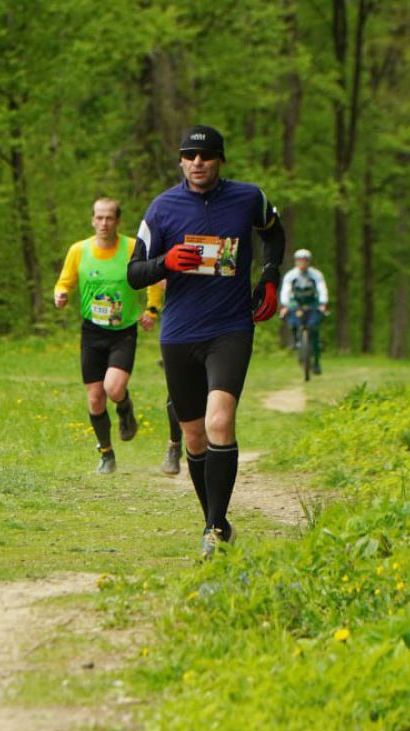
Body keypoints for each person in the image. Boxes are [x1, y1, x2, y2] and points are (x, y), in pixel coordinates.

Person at [126, 124, 285, 559]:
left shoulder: (248, 197)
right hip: (179, 334)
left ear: (220, 161)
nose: (198, 163)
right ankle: (215, 521)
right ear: (180, 161)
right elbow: (134, 272)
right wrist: (166, 261)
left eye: (207, 156)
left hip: (230, 328)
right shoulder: (161, 210)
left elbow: (274, 232)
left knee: (219, 423)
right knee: (194, 435)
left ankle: (214, 528)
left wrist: (270, 276)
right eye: (190, 157)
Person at [55, 198, 164, 474]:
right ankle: (106, 453)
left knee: (113, 389)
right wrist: (61, 293)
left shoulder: (131, 248)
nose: (104, 223)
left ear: (117, 221)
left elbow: (153, 278)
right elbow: (65, 280)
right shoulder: (79, 250)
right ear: (92, 220)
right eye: (99, 218)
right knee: (94, 398)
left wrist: (152, 310)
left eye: (109, 218)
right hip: (92, 331)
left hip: (122, 331)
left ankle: (124, 407)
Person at [279, 248, 329, 374]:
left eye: (305, 261)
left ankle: (316, 362)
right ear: (296, 262)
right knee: (293, 322)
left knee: (314, 330)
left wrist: (323, 303)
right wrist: (284, 305)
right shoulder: (291, 275)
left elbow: (322, 289)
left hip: (313, 305)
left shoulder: (316, 275)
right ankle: (296, 341)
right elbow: (285, 291)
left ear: (309, 262)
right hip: (296, 305)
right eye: (300, 261)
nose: (302, 264)